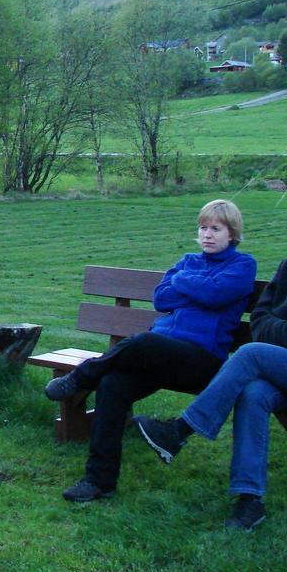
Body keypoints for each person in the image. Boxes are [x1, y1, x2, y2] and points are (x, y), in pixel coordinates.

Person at [134, 196, 287, 530]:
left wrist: (281, 334)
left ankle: (180, 430)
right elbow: (262, 319)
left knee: (251, 354)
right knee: (253, 393)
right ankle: (250, 501)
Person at [46, 199, 257, 504]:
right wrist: (196, 285)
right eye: (203, 228)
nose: (207, 234)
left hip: (202, 361)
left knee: (142, 342)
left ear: (232, 234)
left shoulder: (241, 265)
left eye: (216, 228)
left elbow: (215, 295)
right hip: (162, 353)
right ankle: (99, 480)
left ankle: (82, 376)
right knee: (112, 384)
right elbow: (161, 298)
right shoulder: (188, 260)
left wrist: (184, 282)